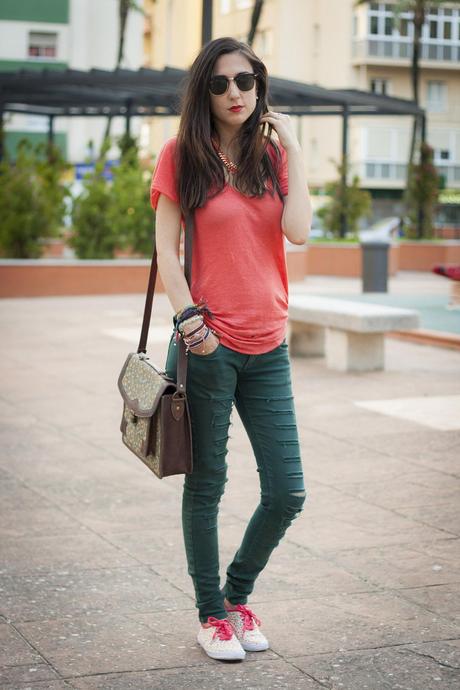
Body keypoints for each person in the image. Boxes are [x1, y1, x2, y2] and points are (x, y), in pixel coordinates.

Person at [150, 36, 312, 662]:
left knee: (287, 491)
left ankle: (236, 594)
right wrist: (189, 320)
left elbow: (297, 231)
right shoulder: (180, 155)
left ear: (259, 84)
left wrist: (293, 146)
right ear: (203, 93)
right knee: (207, 485)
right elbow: (166, 250)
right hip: (208, 345)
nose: (234, 94)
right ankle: (210, 615)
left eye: (244, 81)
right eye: (219, 84)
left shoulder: (273, 159)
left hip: (269, 345)